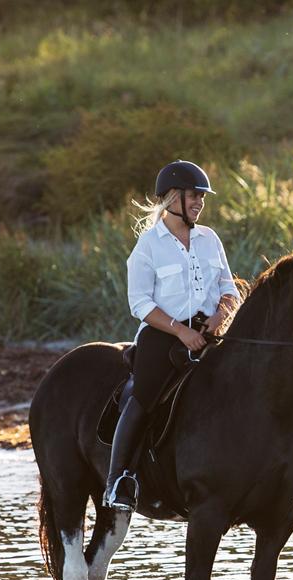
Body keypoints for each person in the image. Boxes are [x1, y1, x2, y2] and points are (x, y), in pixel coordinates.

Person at [102, 160, 241, 511]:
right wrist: (180, 332)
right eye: (195, 196)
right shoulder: (149, 246)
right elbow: (139, 303)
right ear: (173, 198)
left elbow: (229, 287)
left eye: (202, 198)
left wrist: (219, 317)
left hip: (210, 333)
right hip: (163, 337)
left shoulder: (209, 239)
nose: (200, 203)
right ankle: (119, 480)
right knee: (145, 396)